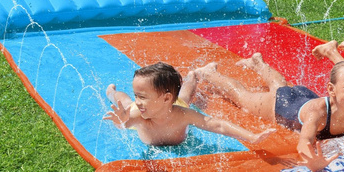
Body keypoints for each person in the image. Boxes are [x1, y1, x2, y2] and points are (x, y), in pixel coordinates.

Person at [193, 54, 344, 172]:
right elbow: (304, 141)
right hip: (282, 105)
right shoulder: (318, 114)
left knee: (281, 85)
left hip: (303, 96)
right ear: (331, 90)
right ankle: (209, 73)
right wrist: (313, 161)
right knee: (244, 98)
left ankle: (258, 64)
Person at [104, 62, 273, 147]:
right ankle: (111, 92)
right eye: (137, 95)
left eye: (142, 96)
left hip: (174, 105)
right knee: (126, 102)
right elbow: (125, 124)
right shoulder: (138, 114)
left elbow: (217, 125)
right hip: (150, 108)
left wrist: (251, 137)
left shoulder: (183, 115)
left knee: (185, 96)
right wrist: (120, 120)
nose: (138, 101)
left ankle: (194, 76)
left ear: (166, 99)